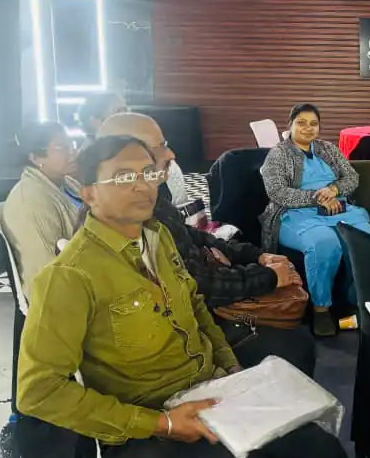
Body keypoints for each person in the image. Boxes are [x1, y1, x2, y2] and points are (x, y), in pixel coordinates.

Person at [16, 136, 370, 458]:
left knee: (322, 453)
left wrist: (231, 370)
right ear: (88, 193)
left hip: (215, 397)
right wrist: (163, 424)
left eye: (147, 173)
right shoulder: (69, 277)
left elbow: (194, 305)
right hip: (149, 435)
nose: (141, 185)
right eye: (122, 177)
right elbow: (38, 392)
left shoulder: (157, 237)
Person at [98, 112, 316, 375]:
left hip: (199, 312)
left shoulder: (151, 202)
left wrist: (256, 256)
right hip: (180, 337)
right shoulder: (130, 225)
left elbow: (195, 237)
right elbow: (199, 287)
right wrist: (268, 277)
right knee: (295, 344)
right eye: (161, 147)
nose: (171, 154)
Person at [261, 104, 370, 337]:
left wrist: (334, 189)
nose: (308, 128)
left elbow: (351, 177)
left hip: (339, 210)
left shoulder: (328, 148)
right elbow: (277, 192)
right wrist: (318, 198)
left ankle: (356, 300)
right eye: (301, 123)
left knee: (367, 241)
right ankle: (321, 309)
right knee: (324, 244)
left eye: (313, 124)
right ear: (290, 125)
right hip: (296, 214)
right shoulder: (278, 154)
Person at [1, 122, 81, 296]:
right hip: (62, 295)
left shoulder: (67, 183)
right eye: (62, 147)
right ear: (36, 158)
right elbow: (48, 273)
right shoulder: (31, 201)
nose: (73, 151)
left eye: (72, 144)